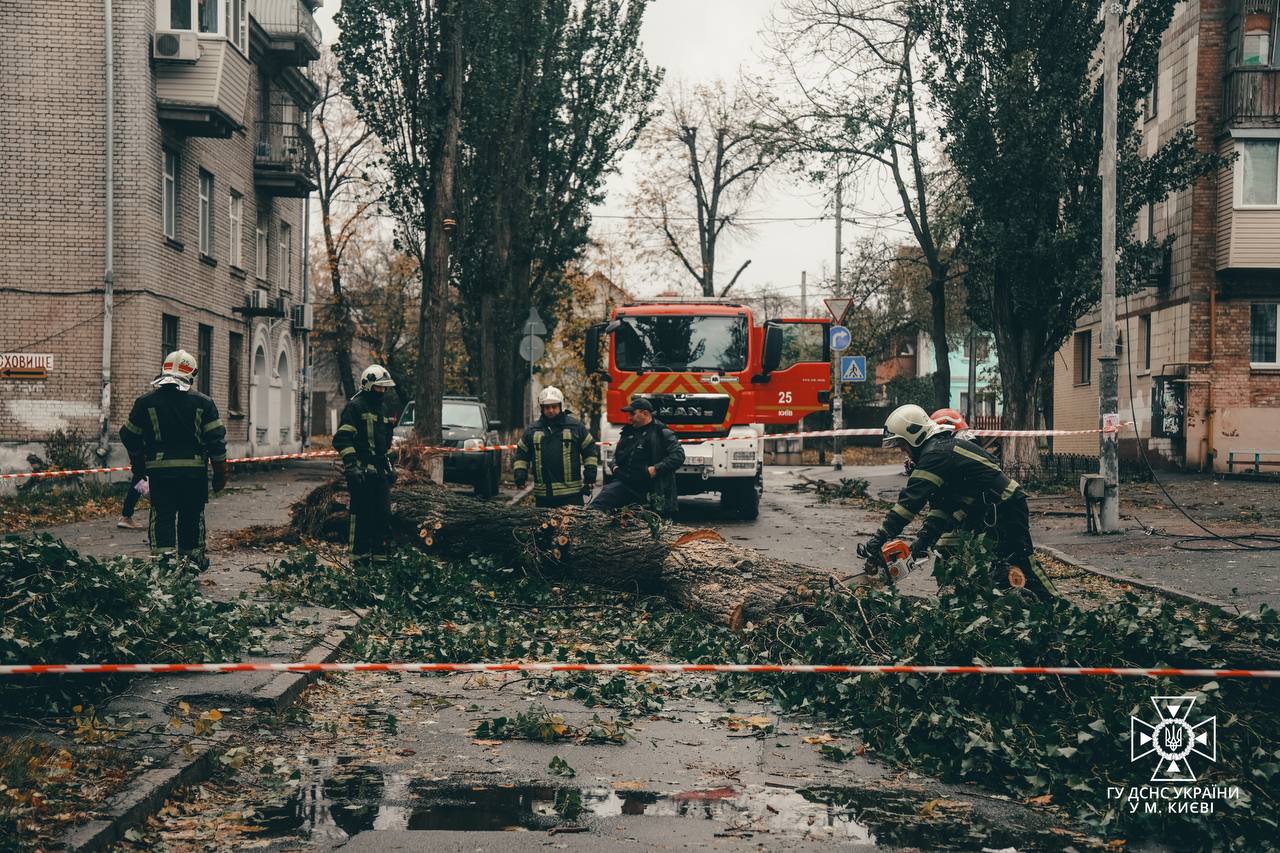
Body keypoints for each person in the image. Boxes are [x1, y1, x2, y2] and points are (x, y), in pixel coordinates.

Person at [862, 403, 1059, 600]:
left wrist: (879, 537)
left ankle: (1055, 606)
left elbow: (910, 502)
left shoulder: (936, 455)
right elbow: (943, 507)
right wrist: (923, 542)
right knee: (997, 568)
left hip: (1004, 505)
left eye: (903, 445)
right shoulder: (939, 450)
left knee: (1020, 562)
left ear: (914, 436)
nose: (903, 451)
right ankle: (1014, 610)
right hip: (986, 510)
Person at [119, 350, 228, 567]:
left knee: (162, 516)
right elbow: (216, 442)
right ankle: (192, 561)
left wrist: (138, 466)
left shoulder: (145, 402)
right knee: (192, 516)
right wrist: (220, 475)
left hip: (160, 475)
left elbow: (129, 436)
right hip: (194, 475)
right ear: (191, 374)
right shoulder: (204, 403)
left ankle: (163, 563)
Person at [333, 364, 398, 557]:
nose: (382, 391)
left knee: (383, 519)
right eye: (379, 387)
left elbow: (383, 445)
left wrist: (389, 467)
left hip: (379, 475)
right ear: (368, 385)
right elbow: (342, 439)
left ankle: (380, 563)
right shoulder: (355, 407)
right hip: (361, 475)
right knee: (362, 521)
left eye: (384, 387)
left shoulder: (383, 409)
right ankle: (359, 564)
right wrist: (352, 466)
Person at [589, 397, 685, 516]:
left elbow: (678, 456)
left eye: (632, 414)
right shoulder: (628, 431)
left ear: (645, 413)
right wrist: (614, 467)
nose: (629, 418)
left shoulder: (662, 432)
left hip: (651, 489)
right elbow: (616, 456)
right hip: (625, 484)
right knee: (597, 506)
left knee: (649, 526)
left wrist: (655, 469)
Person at [512, 386, 599, 508]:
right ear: (542, 408)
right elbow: (521, 453)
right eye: (547, 407)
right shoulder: (533, 430)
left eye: (554, 406)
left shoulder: (575, 427)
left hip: (571, 495)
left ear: (561, 406)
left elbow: (589, 450)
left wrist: (590, 475)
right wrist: (520, 474)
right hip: (544, 496)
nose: (551, 410)